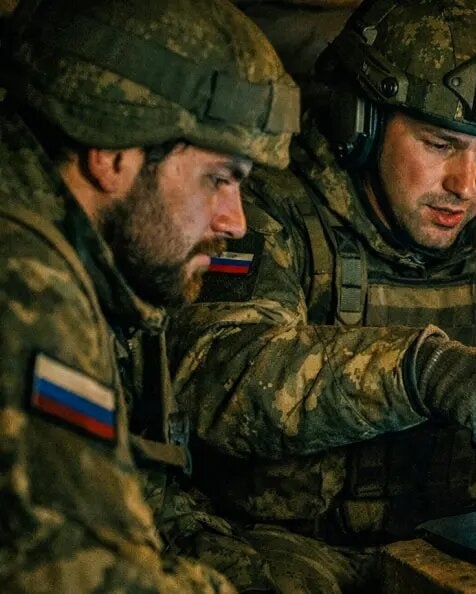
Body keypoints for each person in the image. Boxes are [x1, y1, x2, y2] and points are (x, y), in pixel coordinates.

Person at [165, 0, 476, 583]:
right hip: (291, 547)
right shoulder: (269, 210)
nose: (465, 185)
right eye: (439, 144)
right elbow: (220, 376)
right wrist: (422, 371)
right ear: (364, 125)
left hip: (458, 545)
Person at [0, 0, 314, 591]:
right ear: (113, 154)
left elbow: (141, 499)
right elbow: (88, 577)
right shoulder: (24, 284)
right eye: (218, 179)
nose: (236, 222)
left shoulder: (94, 254)